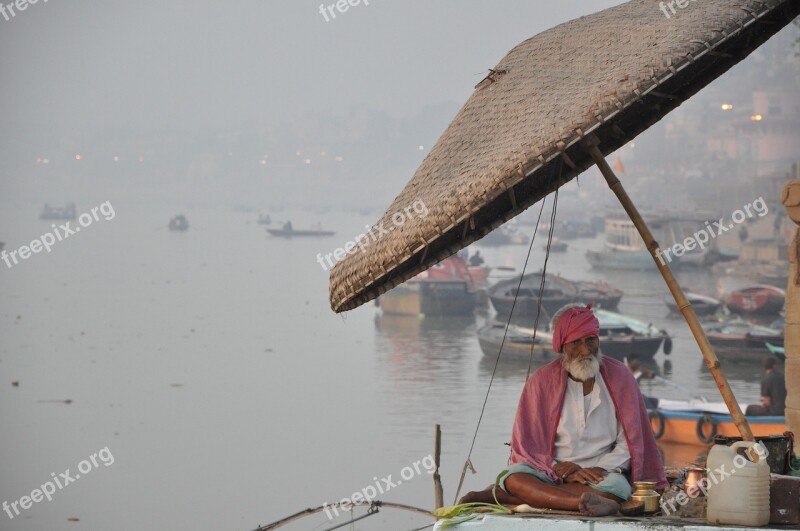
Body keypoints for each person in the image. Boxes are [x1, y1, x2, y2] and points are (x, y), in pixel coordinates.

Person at [460, 304, 666, 516]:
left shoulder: (620, 377)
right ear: (562, 346)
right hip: (549, 470)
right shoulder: (540, 382)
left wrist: (599, 469)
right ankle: (581, 503)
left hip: (601, 475)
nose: (585, 351)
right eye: (575, 343)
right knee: (515, 477)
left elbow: (631, 442)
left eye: (590, 341)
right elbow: (527, 447)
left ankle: (510, 497)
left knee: (618, 490)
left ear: (598, 340)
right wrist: (558, 469)